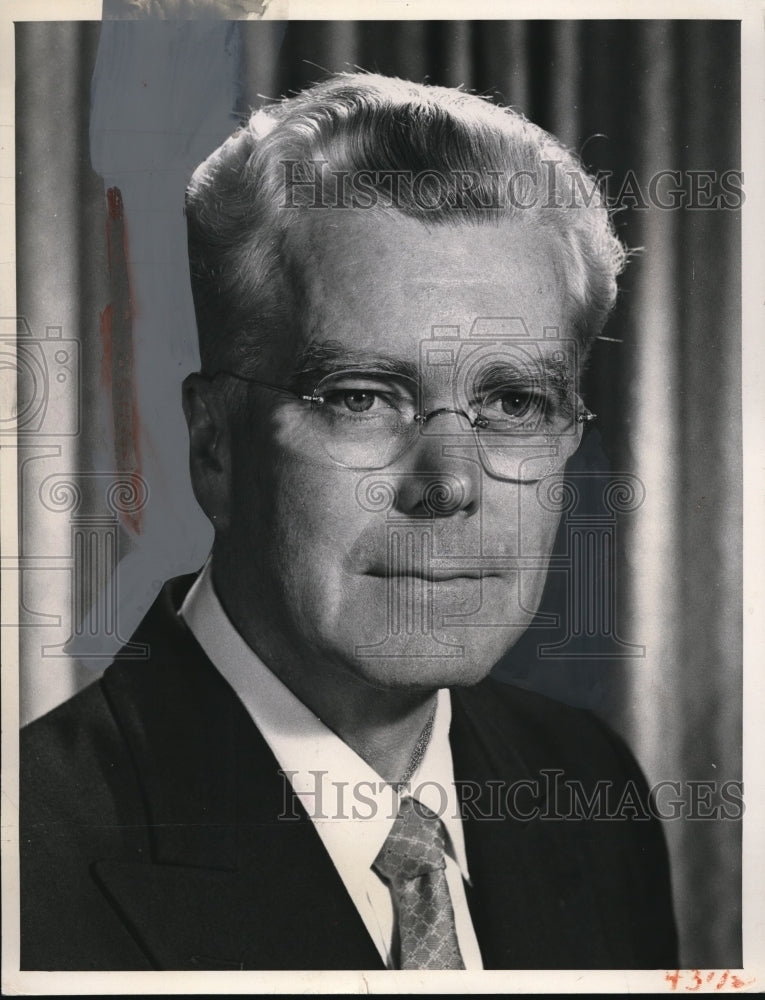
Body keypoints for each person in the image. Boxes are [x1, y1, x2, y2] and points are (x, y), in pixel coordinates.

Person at [21, 72, 678, 971]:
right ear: (214, 445)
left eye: (514, 401)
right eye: (362, 396)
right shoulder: (28, 857)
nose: (448, 483)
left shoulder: (587, 786)